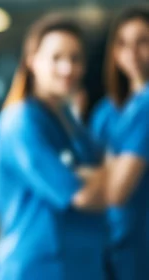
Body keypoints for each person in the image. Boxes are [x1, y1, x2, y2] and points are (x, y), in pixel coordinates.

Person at [0, 15, 108, 280]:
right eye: (56, 58)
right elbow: (83, 196)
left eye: (75, 59)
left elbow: (103, 175)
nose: (67, 68)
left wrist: (95, 177)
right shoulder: (21, 123)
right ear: (32, 60)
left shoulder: (69, 120)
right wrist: (93, 178)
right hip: (37, 268)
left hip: (78, 267)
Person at [90, 6, 149, 279]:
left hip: (138, 247)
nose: (132, 53)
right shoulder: (107, 111)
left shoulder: (146, 106)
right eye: (123, 43)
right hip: (105, 243)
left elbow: (115, 189)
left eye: (143, 41)